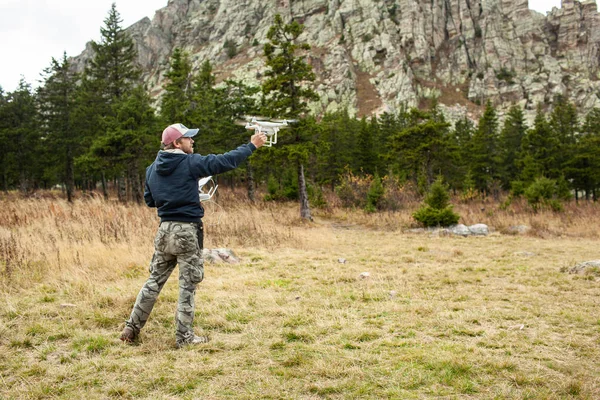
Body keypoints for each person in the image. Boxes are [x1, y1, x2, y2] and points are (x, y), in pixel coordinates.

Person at [120, 123, 267, 347]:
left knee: (153, 282)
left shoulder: (151, 169)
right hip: (187, 231)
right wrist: (251, 146)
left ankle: (131, 328)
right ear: (177, 143)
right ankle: (185, 338)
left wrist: (178, 194)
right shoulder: (191, 162)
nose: (193, 141)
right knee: (187, 286)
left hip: (164, 231)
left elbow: (150, 201)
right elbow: (225, 161)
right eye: (188, 138)